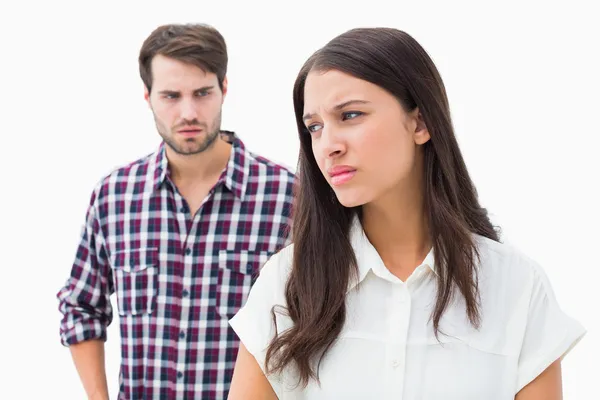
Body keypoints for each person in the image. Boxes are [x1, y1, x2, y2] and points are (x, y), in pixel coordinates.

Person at [227, 27, 586, 399]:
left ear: (420, 123)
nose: (328, 145)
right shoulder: (285, 284)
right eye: (315, 127)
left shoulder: (515, 286)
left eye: (350, 115)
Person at [56, 23, 295, 400]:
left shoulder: (286, 197)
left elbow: (319, 319)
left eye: (202, 93)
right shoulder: (114, 197)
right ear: (148, 97)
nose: (188, 112)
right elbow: (81, 306)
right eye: (171, 96)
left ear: (224, 90)